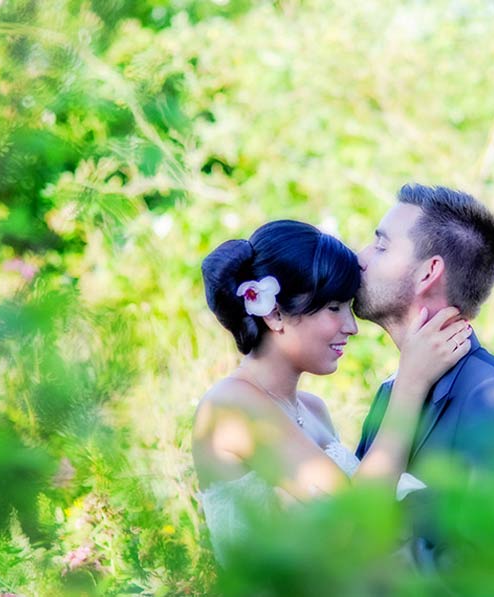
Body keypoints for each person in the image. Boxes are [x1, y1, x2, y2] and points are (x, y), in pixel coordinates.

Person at [192, 219, 472, 564]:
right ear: (275, 314)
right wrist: (410, 384)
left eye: (350, 308)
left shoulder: (313, 409)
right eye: (334, 308)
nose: (352, 327)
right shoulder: (231, 406)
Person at [354, 184, 494, 589]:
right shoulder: (393, 391)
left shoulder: (493, 398)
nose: (361, 258)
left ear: (428, 272)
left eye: (382, 246)